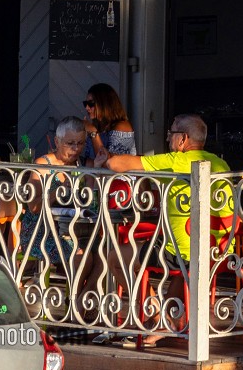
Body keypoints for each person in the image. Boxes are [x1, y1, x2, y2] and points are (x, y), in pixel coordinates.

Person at [98, 114, 230, 346]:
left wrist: (106, 155)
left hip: (183, 251)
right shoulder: (220, 163)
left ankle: (157, 312)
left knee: (116, 257)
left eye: (171, 132)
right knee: (178, 250)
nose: (168, 137)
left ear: (183, 139)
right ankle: (166, 317)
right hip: (218, 248)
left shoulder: (176, 161)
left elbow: (115, 164)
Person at [19, 117, 89, 267]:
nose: (76, 149)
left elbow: (91, 201)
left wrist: (94, 171)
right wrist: (59, 190)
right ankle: (77, 290)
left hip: (77, 231)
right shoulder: (43, 165)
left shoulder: (83, 165)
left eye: (80, 143)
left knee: (102, 254)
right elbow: (34, 207)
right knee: (83, 256)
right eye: (70, 143)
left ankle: (84, 290)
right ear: (57, 142)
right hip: (43, 232)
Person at [82, 83, 136, 162]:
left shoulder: (122, 127)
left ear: (104, 104)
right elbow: (89, 158)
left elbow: (109, 163)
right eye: (85, 104)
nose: (87, 108)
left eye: (91, 103)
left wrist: (93, 133)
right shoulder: (98, 127)